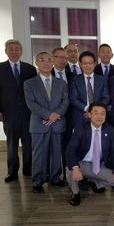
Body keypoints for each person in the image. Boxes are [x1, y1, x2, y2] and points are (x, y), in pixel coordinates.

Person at [24, 52, 69, 193]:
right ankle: (38, 181)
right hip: (39, 123)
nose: (46, 63)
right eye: (42, 60)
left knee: (57, 152)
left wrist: (56, 115)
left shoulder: (61, 83)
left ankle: (55, 178)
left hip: (57, 123)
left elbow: (65, 101)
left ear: (53, 62)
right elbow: (31, 104)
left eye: (49, 60)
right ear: (36, 62)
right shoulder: (29, 83)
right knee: (39, 153)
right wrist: (49, 115)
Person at [66, 102, 114, 206]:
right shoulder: (81, 129)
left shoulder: (110, 131)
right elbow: (71, 150)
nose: (99, 116)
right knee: (70, 169)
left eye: (103, 113)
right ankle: (75, 193)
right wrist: (75, 167)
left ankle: (94, 182)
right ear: (89, 114)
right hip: (82, 163)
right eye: (95, 113)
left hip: (98, 165)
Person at [0, 39, 37, 182]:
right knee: (11, 144)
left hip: (28, 114)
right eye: (11, 49)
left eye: (17, 49)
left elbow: (35, 91)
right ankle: (12, 172)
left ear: (21, 51)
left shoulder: (30, 69)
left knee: (28, 144)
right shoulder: (1, 68)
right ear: (6, 51)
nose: (14, 51)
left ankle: (28, 170)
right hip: (9, 113)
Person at [51, 47, 76, 178]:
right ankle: (54, 175)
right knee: (54, 147)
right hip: (53, 117)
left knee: (68, 146)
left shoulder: (72, 76)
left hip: (70, 117)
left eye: (65, 58)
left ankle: (67, 173)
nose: (63, 60)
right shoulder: (47, 74)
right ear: (53, 58)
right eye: (59, 57)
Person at [69, 51, 110, 126]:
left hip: (99, 117)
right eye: (85, 63)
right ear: (80, 64)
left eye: (90, 63)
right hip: (81, 116)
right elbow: (73, 98)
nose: (88, 65)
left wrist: (94, 111)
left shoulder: (102, 79)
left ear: (94, 64)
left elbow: (106, 98)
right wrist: (87, 109)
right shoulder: (75, 79)